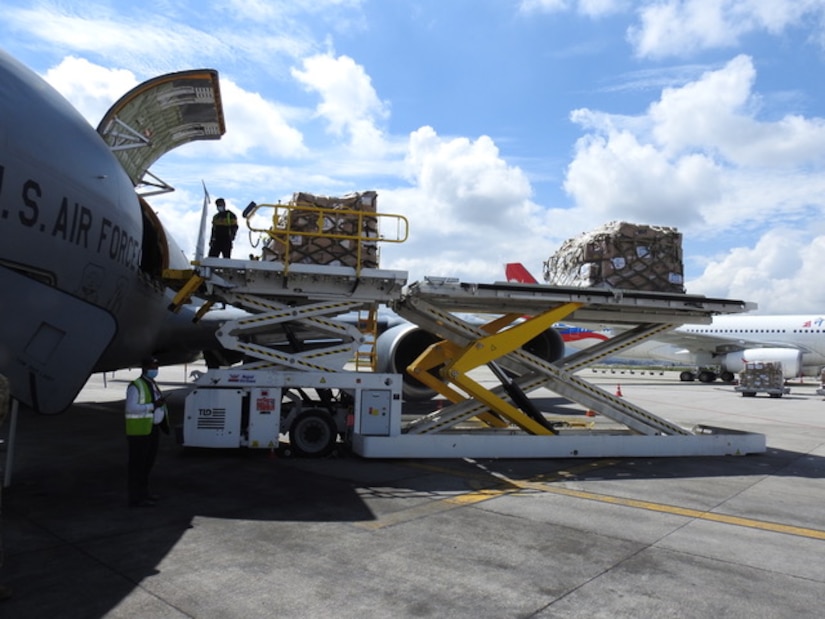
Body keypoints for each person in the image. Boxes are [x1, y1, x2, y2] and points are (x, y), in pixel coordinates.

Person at [124, 357, 169, 507]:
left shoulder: (152, 384)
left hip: (152, 429)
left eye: (156, 366)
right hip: (139, 431)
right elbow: (131, 408)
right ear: (144, 368)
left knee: (147, 465)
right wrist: (153, 406)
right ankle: (135, 499)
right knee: (137, 466)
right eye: (152, 366)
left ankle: (144, 494)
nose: (155, 369)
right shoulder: (135, 386)